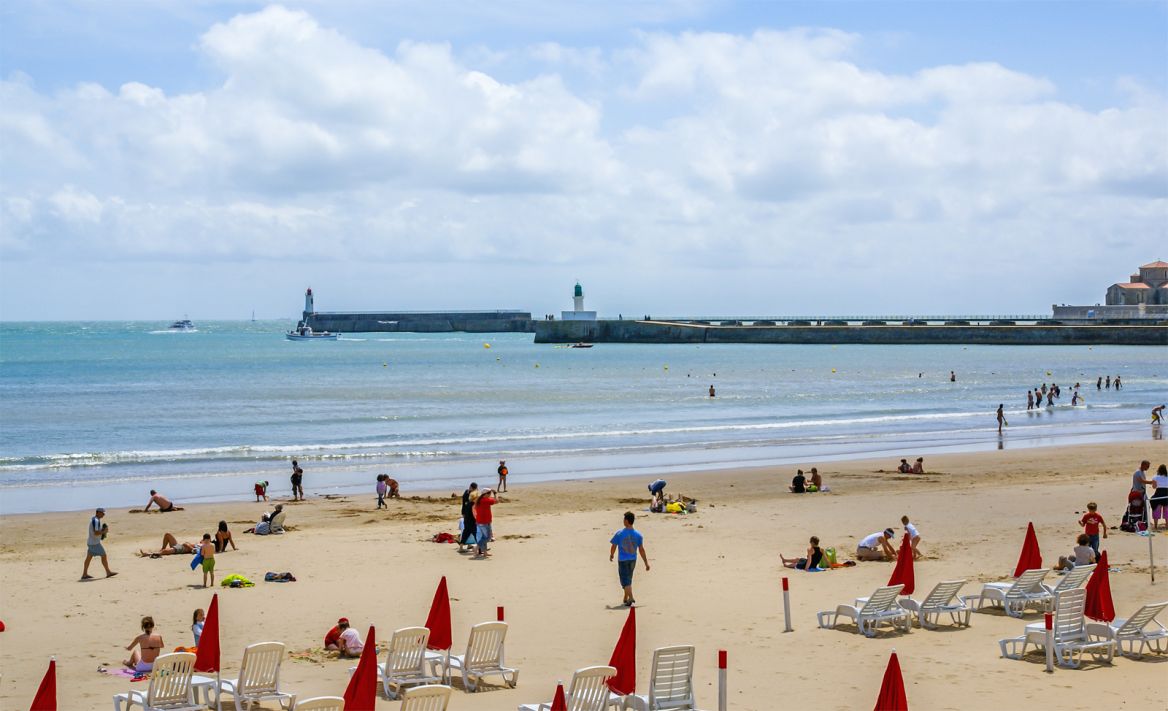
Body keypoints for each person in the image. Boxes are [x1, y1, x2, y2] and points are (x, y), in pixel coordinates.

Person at [609, 511, 651, 606]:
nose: (623, 521)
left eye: (624, 519)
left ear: (627, 521)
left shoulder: (619, 533)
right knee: (628, 579)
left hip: (623, 560)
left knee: (624, 580)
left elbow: (614, 546)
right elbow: (641, 550)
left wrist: (611, 554)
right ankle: (625, 598)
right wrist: (646, 563)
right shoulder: (638, 535)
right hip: (633, 560)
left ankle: (631, 597)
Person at [82, 507, 116, 579]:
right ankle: (108, 572)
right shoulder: (96, 521)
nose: (103, 514)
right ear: (97, 512)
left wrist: (102, 530)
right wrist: (104, 532)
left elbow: (96, 531)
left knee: (88, 558)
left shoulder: (95, 519)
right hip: (95, 544)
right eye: (102, 513)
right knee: (104, 555)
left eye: (104, 513)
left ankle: (84, 574)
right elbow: (96, 533)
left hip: (91, 542)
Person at [474, 488, 497, 559]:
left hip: (482, 521)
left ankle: (485, 553)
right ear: (486, 494)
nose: (490, 495)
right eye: (489, 493)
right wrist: (495, 494)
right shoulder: (485, 500)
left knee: (484, 537)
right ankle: (476, 547)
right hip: (484, 522)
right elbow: (496, 501)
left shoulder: (479, 499)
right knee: (488, 537)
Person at [458, 482, 479, 551]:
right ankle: (481, 546)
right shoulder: (469, 496)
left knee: (466, 531)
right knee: (475, 532)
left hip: (466, 514)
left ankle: (463, 546)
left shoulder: (467, 493)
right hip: (469, 517)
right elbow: (474, 513)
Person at [1150, 464, 1168, 530]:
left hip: (1158, 494)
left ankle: (1155, 526)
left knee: (1156, 510)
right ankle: (1167, 525)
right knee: (1167, 511)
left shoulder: (1155, 477)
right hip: (1166, 495)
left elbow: (1154, 487)